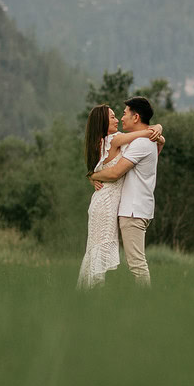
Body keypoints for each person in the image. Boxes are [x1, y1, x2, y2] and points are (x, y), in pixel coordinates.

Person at [77, 101, 164, 289]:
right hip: (108, 203)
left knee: (112, 256)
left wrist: (157, 130)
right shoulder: (115, 140)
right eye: (114, 116)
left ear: (136, 117)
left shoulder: (126, 142)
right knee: (99, 252)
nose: (120, 118)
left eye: (122, 114)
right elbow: (116, 171)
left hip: (125, 207)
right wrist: (155, 130)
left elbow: (117, 172)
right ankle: (92, 296)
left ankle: (93, 296)